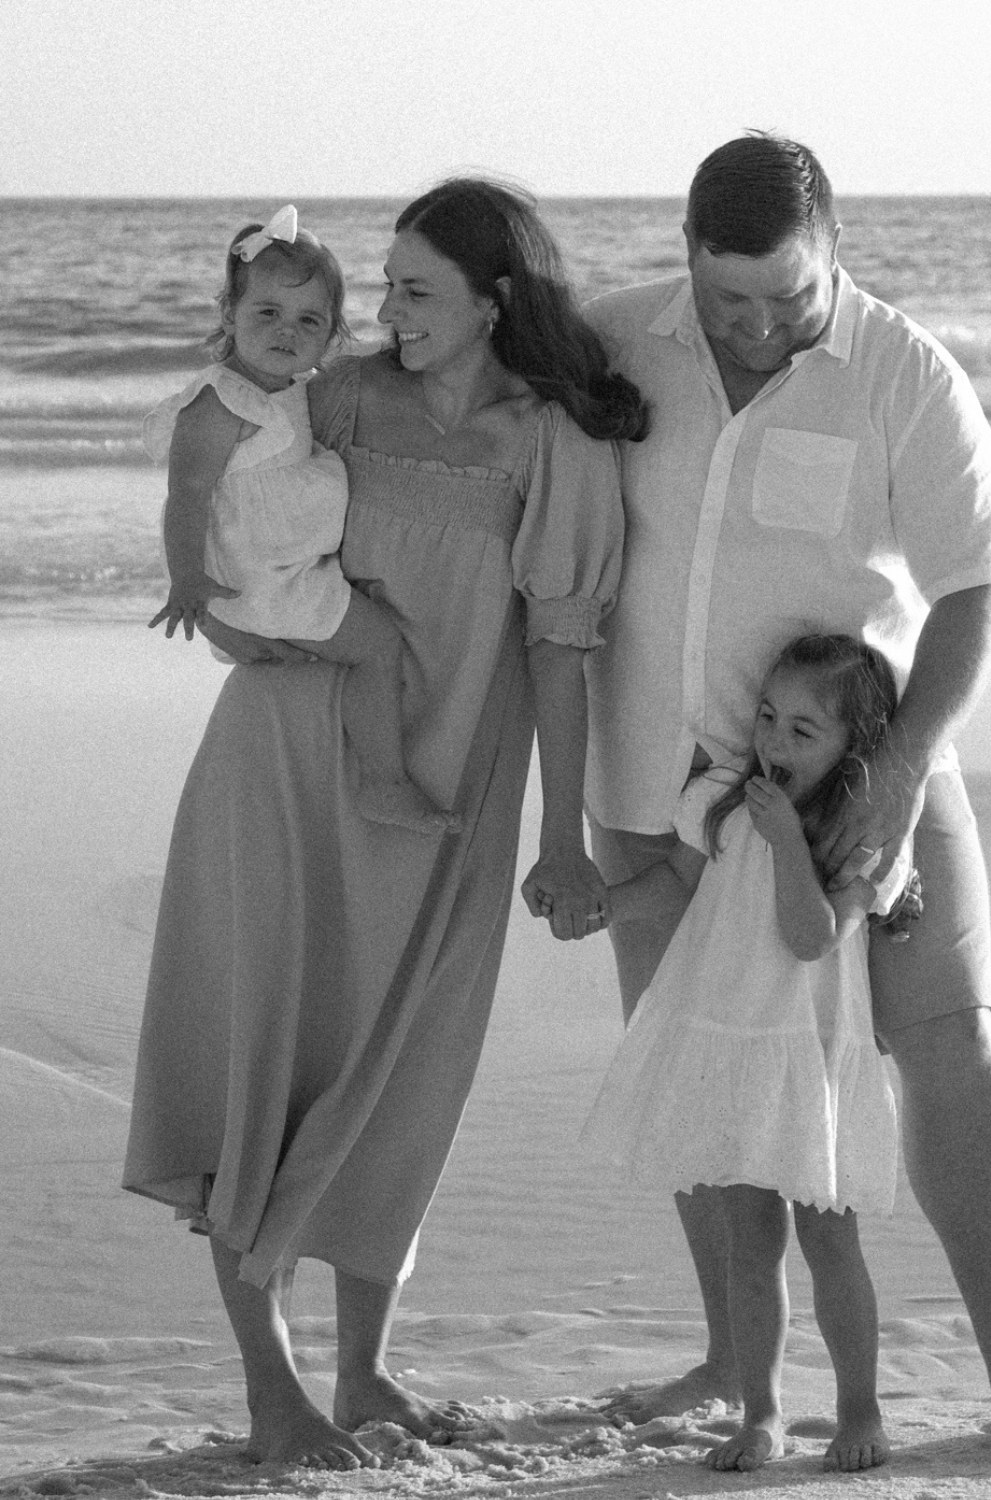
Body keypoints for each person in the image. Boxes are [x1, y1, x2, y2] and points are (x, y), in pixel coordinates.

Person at [580, 134, 991, 1467]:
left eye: (790, 300)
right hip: (662, 796)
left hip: (863, 784)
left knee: (948, 1051)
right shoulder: (615, 343)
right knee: (708, 1089)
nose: (759, 326)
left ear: (838, 258)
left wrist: (901, 768)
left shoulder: (899, 371)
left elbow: (980, 587)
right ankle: (728, 1356)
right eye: (729, 300)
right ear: (685, 257)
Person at [124, 179, 643, 1471]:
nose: (387, 311)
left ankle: (364, 1375)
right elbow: (229, 522)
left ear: (494, 303)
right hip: (289, 766)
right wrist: (232, 624)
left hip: (460, 794)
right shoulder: (340, 399)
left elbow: (563, 647)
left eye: (415, 291)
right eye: (390, 287)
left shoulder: (551, 441)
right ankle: (273, 1390)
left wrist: (564, 839)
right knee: (270, 1059)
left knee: (410, 1070)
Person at [582, 635, 915, 1474]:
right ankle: (761, 1411)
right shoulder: (723, 798)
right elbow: (674, 884)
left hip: (808, 1053)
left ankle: (859, 1407)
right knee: (749, 1240)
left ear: (854, 745)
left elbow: (812, 938)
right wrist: (603, 904)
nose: (774, 742)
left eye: (805, 731)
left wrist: (789, 844)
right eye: (769, 717)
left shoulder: (857, 833)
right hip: (727, 1040)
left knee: (829, 1240)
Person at [146, 205, 457, 833]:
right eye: (267, 313)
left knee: (333, 657)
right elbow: (185, 495)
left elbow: (357, 365)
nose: (287, 331)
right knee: (379, 648)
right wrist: (185, 577)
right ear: (228, 314)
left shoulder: (287, 384)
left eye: (308, 320)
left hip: (276, 572)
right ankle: (384, 783)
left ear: (329, 333)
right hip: (263, 582)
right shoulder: (220, 401)